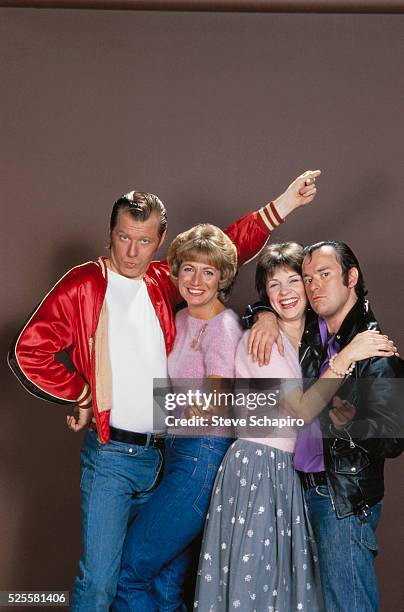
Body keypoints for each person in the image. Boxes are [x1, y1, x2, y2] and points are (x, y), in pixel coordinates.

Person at [7, 172, 320, 612]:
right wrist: (82, 393)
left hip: (164, 456)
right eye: (123, 238)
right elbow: (27, 352)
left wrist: (284, 205)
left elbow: (222, 251)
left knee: (157, 583)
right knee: (102, 581)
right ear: (110, 234)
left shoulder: (162, 280)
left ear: (161, 243)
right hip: (113, 456)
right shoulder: (84, 284)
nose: (132, 252)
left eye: (144, 240)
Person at [194, 242, 395, 612]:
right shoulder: (267, 341)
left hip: (316, 484)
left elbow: (391, 433)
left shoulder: (327, 338)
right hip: (263, 469)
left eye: (295, 281)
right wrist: (262, 316)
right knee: (258, 581)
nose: (288, 291)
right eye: (275, 285)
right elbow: (303, 410)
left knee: (298, 590)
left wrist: (352, 419)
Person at [113, 223, 246, 611]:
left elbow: (216, 404)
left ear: (222, 277)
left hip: (200, 458)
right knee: (165, 588)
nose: (197, 280)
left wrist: (148, 406)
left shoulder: (223, 326)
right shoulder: (182, 318)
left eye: (208, 271)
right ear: (175, 271)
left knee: (129, 574)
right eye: (188, 268)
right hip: (174, 455)